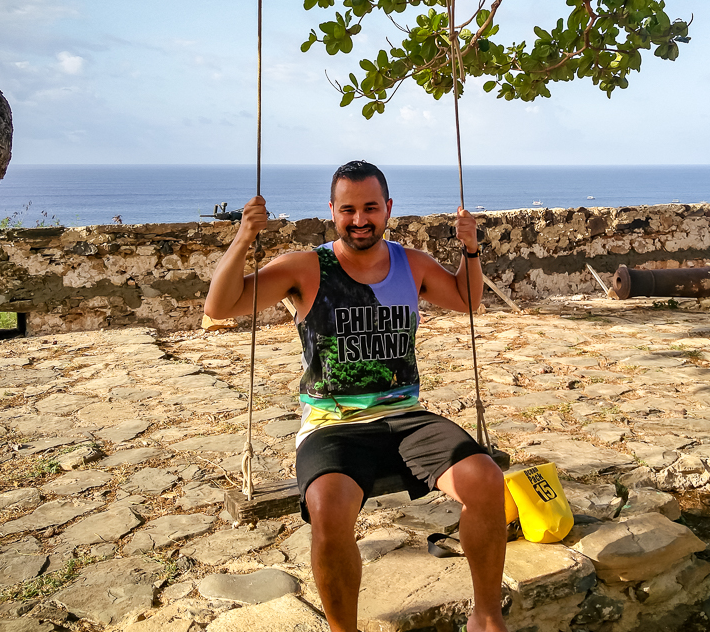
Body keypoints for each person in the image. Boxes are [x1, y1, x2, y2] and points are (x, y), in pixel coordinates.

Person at [203, 161, 508, 632]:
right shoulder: (306, 267)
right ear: (332, 211)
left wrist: (470, 249)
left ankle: (486, 618)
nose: (360, 219)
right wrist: (243, 239)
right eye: (349, 209)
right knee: (327, 510)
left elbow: (468, 301)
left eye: (370, 207)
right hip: (333, 425)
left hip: (406, 416)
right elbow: (220, 307)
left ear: (388, 209)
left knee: (486, 481)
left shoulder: (413, 264)